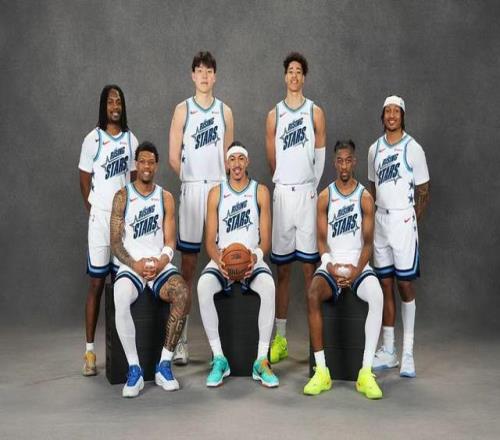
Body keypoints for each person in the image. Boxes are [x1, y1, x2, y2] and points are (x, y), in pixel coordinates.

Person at [168, 51, 234, 365]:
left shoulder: (225, 111)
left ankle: (221, 345)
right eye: (199, 70)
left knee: (225, 263)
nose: (205, 76)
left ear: (215, 76)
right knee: (189, 267)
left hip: (218, 191)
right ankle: (180, 341)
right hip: (193, 189)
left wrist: (220, 188)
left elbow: (231, 158)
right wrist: (191, 181)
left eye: (209, 71)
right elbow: (173, 156)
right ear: (192, 75)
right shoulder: (183, 109)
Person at [304, 140, 384, 399]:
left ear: (354, 162)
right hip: (332, 263)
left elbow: (368, 244)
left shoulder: (365, 197)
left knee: (377, 296)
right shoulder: (325, 196)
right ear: (334, 163)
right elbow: (321, 241)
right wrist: (330, 265)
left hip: (358, 263)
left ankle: (365, 372)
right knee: (312, 294)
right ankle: (322, 371)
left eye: (348, 160)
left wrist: (356, 272)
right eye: (340, 160)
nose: (344, 165)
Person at [110, 142, 189, 397]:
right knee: (120, 297)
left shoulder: (165, 197)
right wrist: (135, 264)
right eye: (142, 161)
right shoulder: (122, 196)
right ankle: (134, 369)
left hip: (158, 265)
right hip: (132, 265)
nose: (146, 166)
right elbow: (115, 243)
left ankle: (163, 365)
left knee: (182, 293)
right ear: (136, 164)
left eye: (151, 162)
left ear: (156, 165)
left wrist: (162, 262)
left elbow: (170, 242)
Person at [197, 142, 278, 388]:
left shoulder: (260, 191)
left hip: (251, 260)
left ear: (247, 162)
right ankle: (219, 358)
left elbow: (266, 239)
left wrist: (254, 257)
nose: (237, 164)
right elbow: (209, 241)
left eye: (241, 159)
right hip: (223, 259)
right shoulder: (216, 193)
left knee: (269, 287)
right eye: (232, 159)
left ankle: (261, 360)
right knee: (203, 286)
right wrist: (219, 260)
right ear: (227, 164)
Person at [265, 52, 326, 363]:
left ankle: (316, 344)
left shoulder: (315, 112)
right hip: (283, 196)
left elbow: (320, 156)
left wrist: (309, 186)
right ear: (284, 76)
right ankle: (281, 338)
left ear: (304, 77)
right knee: (283, 270)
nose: (294, 76)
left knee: (309, 269)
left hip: (306, 194)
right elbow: (272, 158)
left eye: (299, 71)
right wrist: (285, 180)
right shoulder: (274, 114)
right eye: (290, 70)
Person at [367, 96, 430, 378]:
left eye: (396, 111)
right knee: (385, 285)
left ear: (403, 116)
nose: (392, 115)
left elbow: (424, 190)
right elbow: (373, 186)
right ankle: (389, 350)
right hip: (381, 220)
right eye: (387, 111)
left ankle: (408, 353)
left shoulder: (413, 148)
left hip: (404, 221)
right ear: (382, 116)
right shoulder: (374, 149)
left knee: (404, 284)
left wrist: (411, 220)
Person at [78, 85, 138, 376]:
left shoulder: (130, 140)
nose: (115, 105)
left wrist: (125, 216)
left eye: (119, 101)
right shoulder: (92, 139)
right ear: (103, 106)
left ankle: (121, 354)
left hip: (122, 221)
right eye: (110, 101)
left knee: (122, 284)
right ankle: (90, 352)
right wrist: (95, 211)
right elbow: (84, 180)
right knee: (97, 284)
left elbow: (135, 183)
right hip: (101, 219)